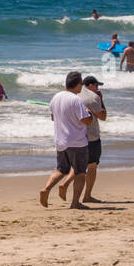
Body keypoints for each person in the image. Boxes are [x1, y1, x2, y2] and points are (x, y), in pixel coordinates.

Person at [39, 71, 93, 210]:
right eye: (81, 84)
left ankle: (46, 189)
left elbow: (53, 117)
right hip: (77, 141)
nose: (81, 86)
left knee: (61, 170)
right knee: (80, 172)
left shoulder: (56, 97)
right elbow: (86, 120)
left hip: (61, 140)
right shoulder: (76, 100)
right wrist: (89, 112)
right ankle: (75, 202)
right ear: (77, 84)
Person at [81, 75, 107, 202]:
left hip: (75, 136)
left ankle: (64, 185)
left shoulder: (75, 95)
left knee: (77, 167)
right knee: (92, 166)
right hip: (91, 137)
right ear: (91, 85)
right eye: (96, 86)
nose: (97, 89)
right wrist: (101, 99)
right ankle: (87, 196)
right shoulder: (93, 97)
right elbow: (103, 116)